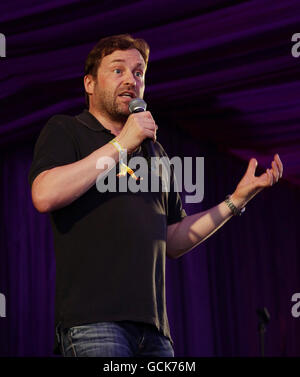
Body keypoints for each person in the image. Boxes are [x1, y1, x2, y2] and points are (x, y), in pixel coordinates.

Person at [28, 34, 283, 357]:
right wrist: (121, 145)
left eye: (138, 73)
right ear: (89, 84)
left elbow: (173, 239)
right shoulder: (67, 130)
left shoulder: (155, 153)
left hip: (155, 332)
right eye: (117, 70)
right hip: (93, 325)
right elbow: (44, 194)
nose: (130, 81)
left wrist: (236, 200)